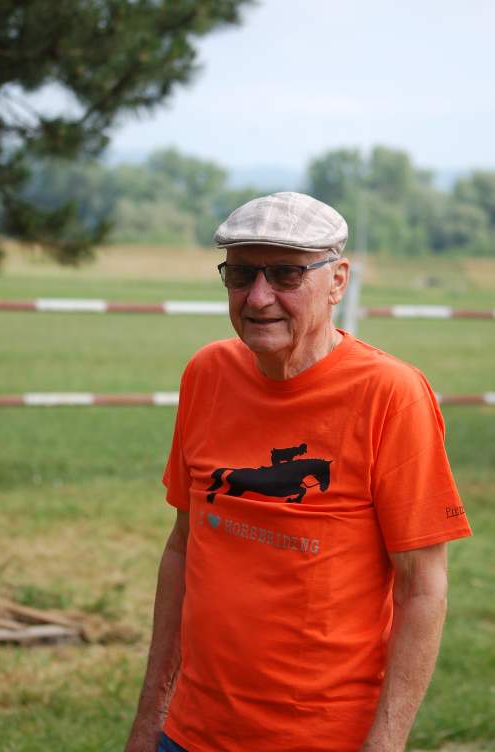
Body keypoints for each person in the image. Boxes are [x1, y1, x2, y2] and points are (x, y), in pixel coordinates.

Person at [125, 192, 471, 752]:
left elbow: (423, 590)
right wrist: (150, 721)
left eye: (286, 274)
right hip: (188, 734)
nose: (259, 297)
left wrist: (384, 745)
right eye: (241, 274)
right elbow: (183, 550)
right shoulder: (207, 373)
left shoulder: (391, 395)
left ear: (337, 281)